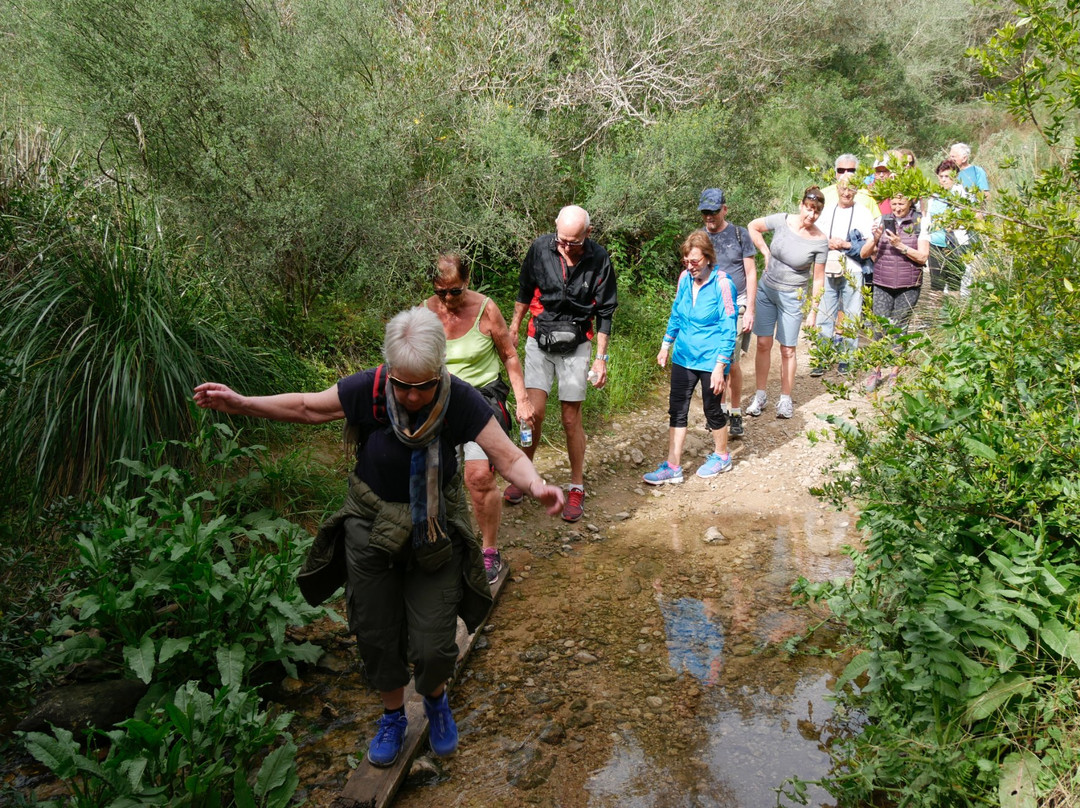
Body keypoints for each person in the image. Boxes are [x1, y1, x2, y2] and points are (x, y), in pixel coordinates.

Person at [193, 307, 564, 770]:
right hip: (369, 527)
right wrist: (243, 402)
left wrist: (536, 485)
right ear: (389, 371)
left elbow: (506, 456)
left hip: (434, 530)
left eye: (422, 385)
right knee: (375, 633)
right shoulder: (368, 389)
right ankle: (392, 716)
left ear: (439, 372)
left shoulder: (461, 399)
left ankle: (434, 699)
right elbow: (308, 407)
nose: (411, 396)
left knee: (433, 643)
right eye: (401, 384)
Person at [424, 253, 533, 583]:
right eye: (440, 291)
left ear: (466, 282)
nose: (447, 299)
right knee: (437, 480)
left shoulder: (486, 309)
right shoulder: (425, 311)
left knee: (478, 477)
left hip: (480, 400)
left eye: (454, 291)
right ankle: (448, 545)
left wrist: (523, 399)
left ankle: (488, 551)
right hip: (440, 402)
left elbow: (510, 355)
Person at [505, 205, 618, 523]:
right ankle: (523, 475)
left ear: (588, 234)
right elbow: (524, 290)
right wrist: (513, 327)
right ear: (555, 229)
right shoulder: (541, 248)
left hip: (578, 343)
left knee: (570, 420)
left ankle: (577, 487)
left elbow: (606, 310)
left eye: (574, 242)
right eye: (562, 239)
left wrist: (601, 358)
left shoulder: (599, 259)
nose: (566, 246)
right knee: (532, 413)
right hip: (538, 339)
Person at [643, 231, 738, 485]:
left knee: (711, 408)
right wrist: (666, 345)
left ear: (708, 258)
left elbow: (729, 327)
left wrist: (721, 366)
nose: (690, 266)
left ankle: (721, 456)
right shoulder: (684, 278)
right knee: (677, 410)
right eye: (686, 261)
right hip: (683, 355)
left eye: (694, 261)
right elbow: (676, 313)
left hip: (711, 359)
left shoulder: (723, 284)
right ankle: (673, 466)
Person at [745, 187, 828, 419]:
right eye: (809, 209)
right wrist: (764, 251)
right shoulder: (782, 220)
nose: (811, 215)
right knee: (762, 343)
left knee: (788, 349)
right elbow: (753, 226)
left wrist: (813, 311)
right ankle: (760, 396)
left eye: (817, 211)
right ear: (801, 205)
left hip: (793, 297)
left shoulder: (820, 241)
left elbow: (819, 279)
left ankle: (785, 399)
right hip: (767, 290)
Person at [698, 188, 756, 438]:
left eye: (713, 211)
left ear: (724, 209)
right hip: (710, 305)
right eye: (705, 212)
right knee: (714, 361)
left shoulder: (740, 234)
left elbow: (751, 272)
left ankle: (735, 412)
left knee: (730, 362)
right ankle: (719, 410)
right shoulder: (699, 238)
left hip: (737, 304)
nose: (709, 216)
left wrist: (751, 308)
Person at [864, 192, 930, 392]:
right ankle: (874, 371)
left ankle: (895, 372)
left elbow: (923, 256)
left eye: (901, 203)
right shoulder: (882, 220)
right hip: (882, 282)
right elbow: (863, 254)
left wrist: (900, 245)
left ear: (911, 201)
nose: (897, 207)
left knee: (900, 329)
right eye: (893, 203)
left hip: (909, 285)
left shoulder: (920, 222)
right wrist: (875, 239)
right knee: (879, 329)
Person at [812, 179, 876, 376]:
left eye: (850, 189)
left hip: (854, 268)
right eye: (843, 188)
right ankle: (822, 357)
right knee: (824, 313)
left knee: (851, 313)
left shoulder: (864, 213)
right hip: (828, 266)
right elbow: (815, 235)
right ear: (837, 189)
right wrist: (828, 242)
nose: (846, 193)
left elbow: (869, 243)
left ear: (857, 191)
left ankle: (847, 358)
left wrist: (846, 245)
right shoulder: (828, 210)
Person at [926, 159, 971, 293]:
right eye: (941, 176)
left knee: (954, 284)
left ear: (955, 177)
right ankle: (934, 314)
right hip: (935, 244)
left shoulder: (962, 195)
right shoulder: (934, 195)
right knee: (936, 285)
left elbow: (966, 218)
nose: (944, 180)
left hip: (954, 245)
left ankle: (955, 313)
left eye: (948, 176)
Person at [949, 142, 990, 209]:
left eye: (953, 157)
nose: (950, 159)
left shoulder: (977, 171)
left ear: (964, 158)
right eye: (950, 156)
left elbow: (985, 194)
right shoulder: (949, 173)